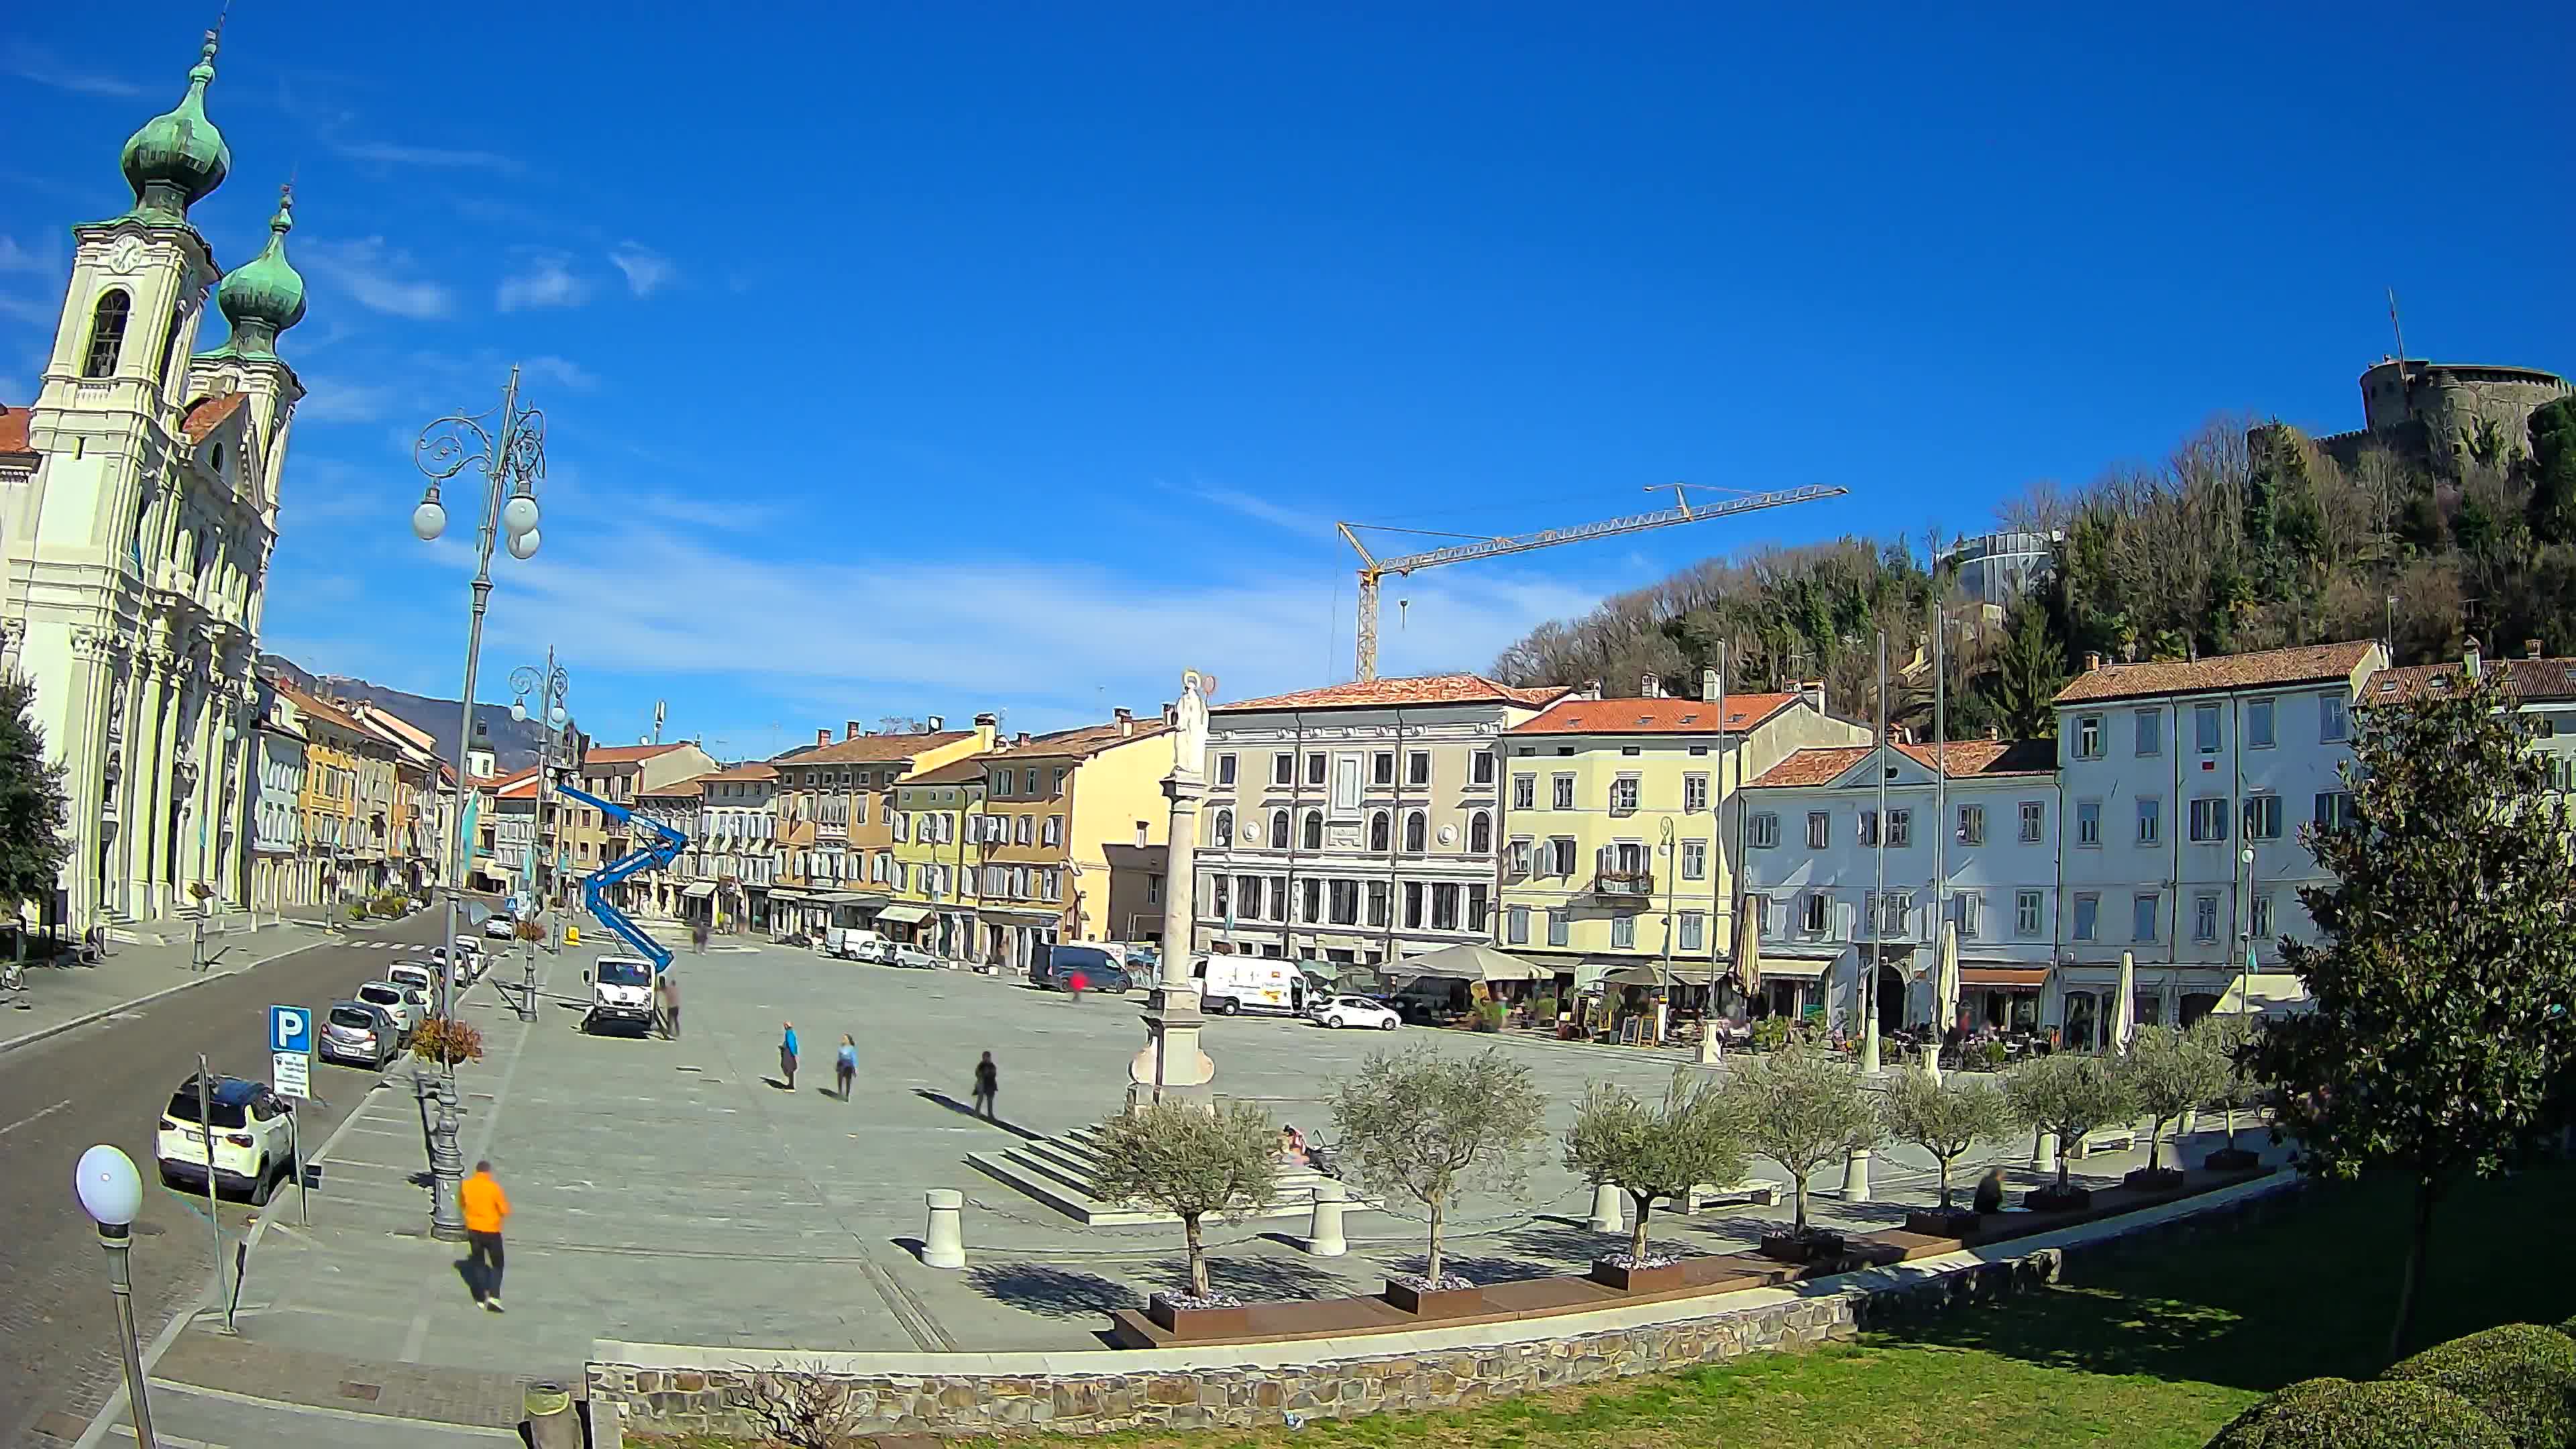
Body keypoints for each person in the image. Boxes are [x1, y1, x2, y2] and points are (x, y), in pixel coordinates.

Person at [462, 1159, 511, 1311]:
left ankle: (480, 1297)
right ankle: (494, 1297)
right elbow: (505, 1210)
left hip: (473, 1230)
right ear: (488, 1172)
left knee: (478, 1263)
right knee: (497, 1265)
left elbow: (462, 1204)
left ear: (476, 1171)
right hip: (491, 1231)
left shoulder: (466, 1186)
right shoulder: (494, 1188)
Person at [971, 1051, 998, 1120]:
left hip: (990, 1085)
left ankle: (990, 1115)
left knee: (990, 1101)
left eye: (988, 1057)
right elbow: (977, 1073)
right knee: (980, 1099)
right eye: (985, 1057)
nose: (987, 1058)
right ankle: (977, 1112)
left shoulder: (992, 1065)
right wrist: (983, 1075)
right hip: (982, 1085)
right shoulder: (981, 1065)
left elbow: (994, 1075)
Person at [657, 971, 680, 1040]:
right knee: (675, 1020)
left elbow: (661, 988)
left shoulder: (667, 989)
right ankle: (677, 1032)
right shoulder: (675, 989)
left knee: (670, 1019)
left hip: (670, 1007)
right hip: (676, 1007)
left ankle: (670, 1031)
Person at [835, 1034, 857, 1101]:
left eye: (845, 1038)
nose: (843, 1040)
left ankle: (847, 1096)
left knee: (848, 1080)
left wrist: (855, 1068)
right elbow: (839, 1057)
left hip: (849, 1065)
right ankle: (840, 1093)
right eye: (843, 1038)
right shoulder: (840, 1048)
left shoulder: (851, 1048)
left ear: (848, 1040)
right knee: (840, 1079)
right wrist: (837, 1065)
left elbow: (854, 1058)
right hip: (841, 1064)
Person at [780, 1021, 799, 1089]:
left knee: (788, 1067)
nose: (784, 1027)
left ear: (787, 1026)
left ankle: (791, 1086)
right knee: (790, 1068)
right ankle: (790, 1085)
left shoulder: (789, 1033)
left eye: (785, 1026)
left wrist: (794, 1054)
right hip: (789, 1052)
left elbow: (791, 1044)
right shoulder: (790, 1032)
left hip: (789, 1053)